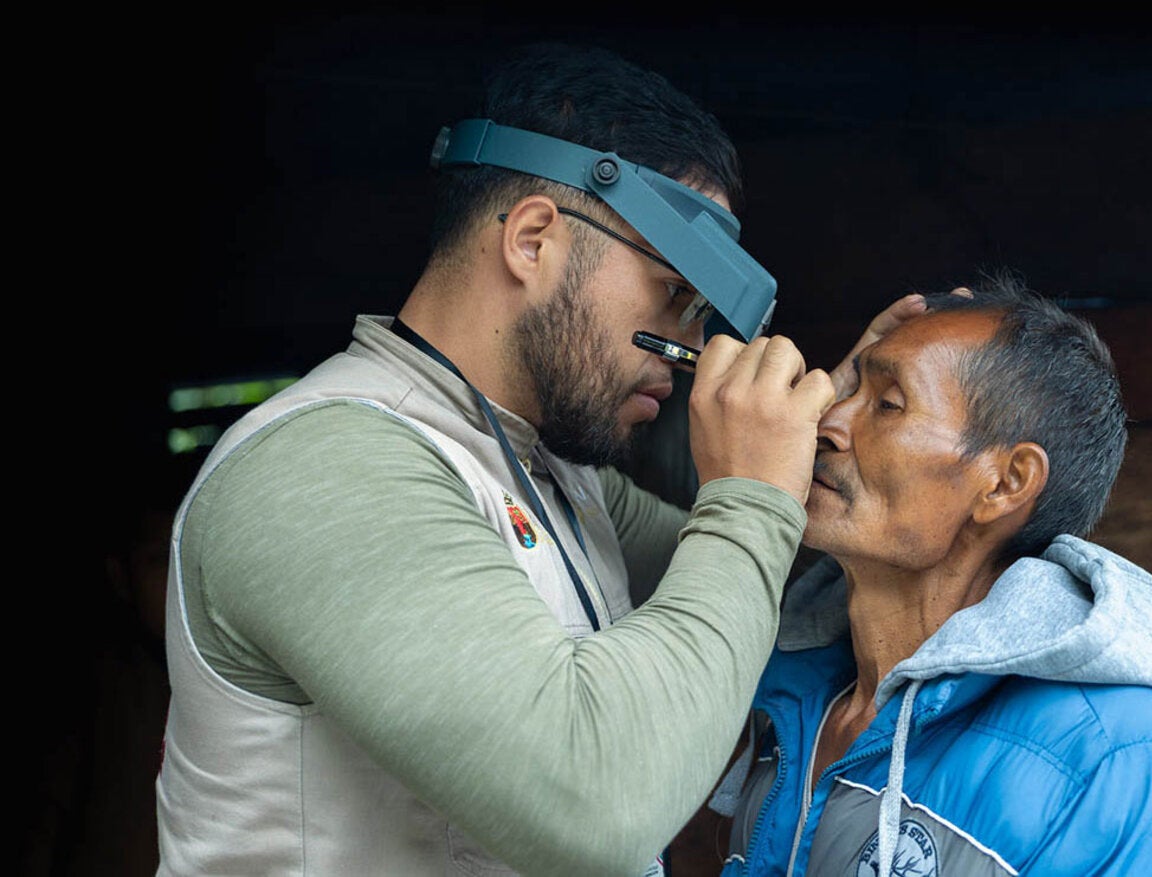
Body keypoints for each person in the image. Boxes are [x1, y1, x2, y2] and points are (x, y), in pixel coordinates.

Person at [155, 42, 922, 876]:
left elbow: (760, 584)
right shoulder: (326, 464)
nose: (695, 348)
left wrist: (823, 445)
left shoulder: (550, 471)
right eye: (674, 295)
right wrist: (746, 495)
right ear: (531, 240)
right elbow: (597, 801)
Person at [716, 276, 1152, 876]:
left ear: (1004, 484)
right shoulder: (786, 684)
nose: (827, 424)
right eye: (853, 390)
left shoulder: (1105, 750)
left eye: (888, 404)